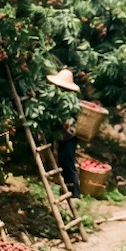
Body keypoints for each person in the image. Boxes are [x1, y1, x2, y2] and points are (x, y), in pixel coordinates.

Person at [46, 68, 82, 198]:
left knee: (68, 164)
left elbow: (73, 119)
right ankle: (67, 190)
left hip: (69, 137)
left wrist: (67, 123)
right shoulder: (58, 99)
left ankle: (75, 194)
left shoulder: (71, 101)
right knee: (63, 162)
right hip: (63, 136)